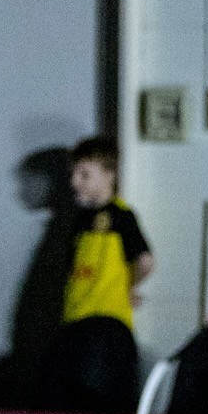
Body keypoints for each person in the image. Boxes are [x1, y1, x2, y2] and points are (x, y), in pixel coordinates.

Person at [62, 136, 154, 331]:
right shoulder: (80, 219)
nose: (74, 182)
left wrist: (129, 286)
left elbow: (145, 262)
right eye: (73, 174)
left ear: (109, 175)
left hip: (106, 322)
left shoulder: (121, 215)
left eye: (84, 175)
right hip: (75, 318)